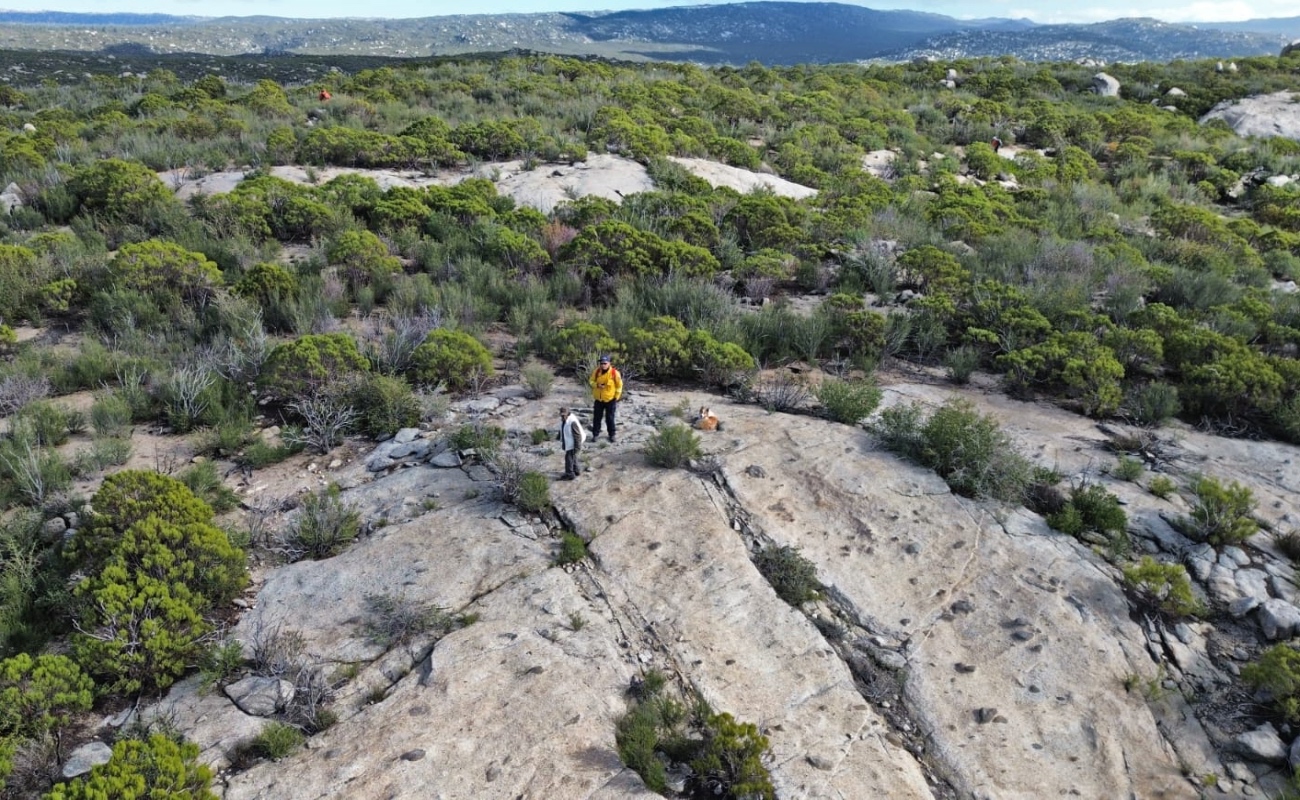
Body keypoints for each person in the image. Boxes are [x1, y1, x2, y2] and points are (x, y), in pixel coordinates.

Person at [589, 354, 623, 443]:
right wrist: (596, 385)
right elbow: (591, 381)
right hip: (599, 400)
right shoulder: (596, 372)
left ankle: (612, 435)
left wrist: (616, 397)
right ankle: (595, 435)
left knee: (610, 418)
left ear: (609, 363)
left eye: (605, 363)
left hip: (610, 400)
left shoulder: (614, 373)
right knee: (597, 418)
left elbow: (619, 385)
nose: (603, 365)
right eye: (601, 363)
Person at [557, 406, 585, 479]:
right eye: (561, 415)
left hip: (574, 443)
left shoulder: (572, 422)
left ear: (567, 413)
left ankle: (570, 474)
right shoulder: (565, 420)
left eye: (564, 415)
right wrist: (559, 436)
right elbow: (562, 428)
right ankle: (576, 470)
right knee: (573, 456)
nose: (562, 416)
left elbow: (577, 435)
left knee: (568, 457)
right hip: (570, 442)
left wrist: (577, 447)